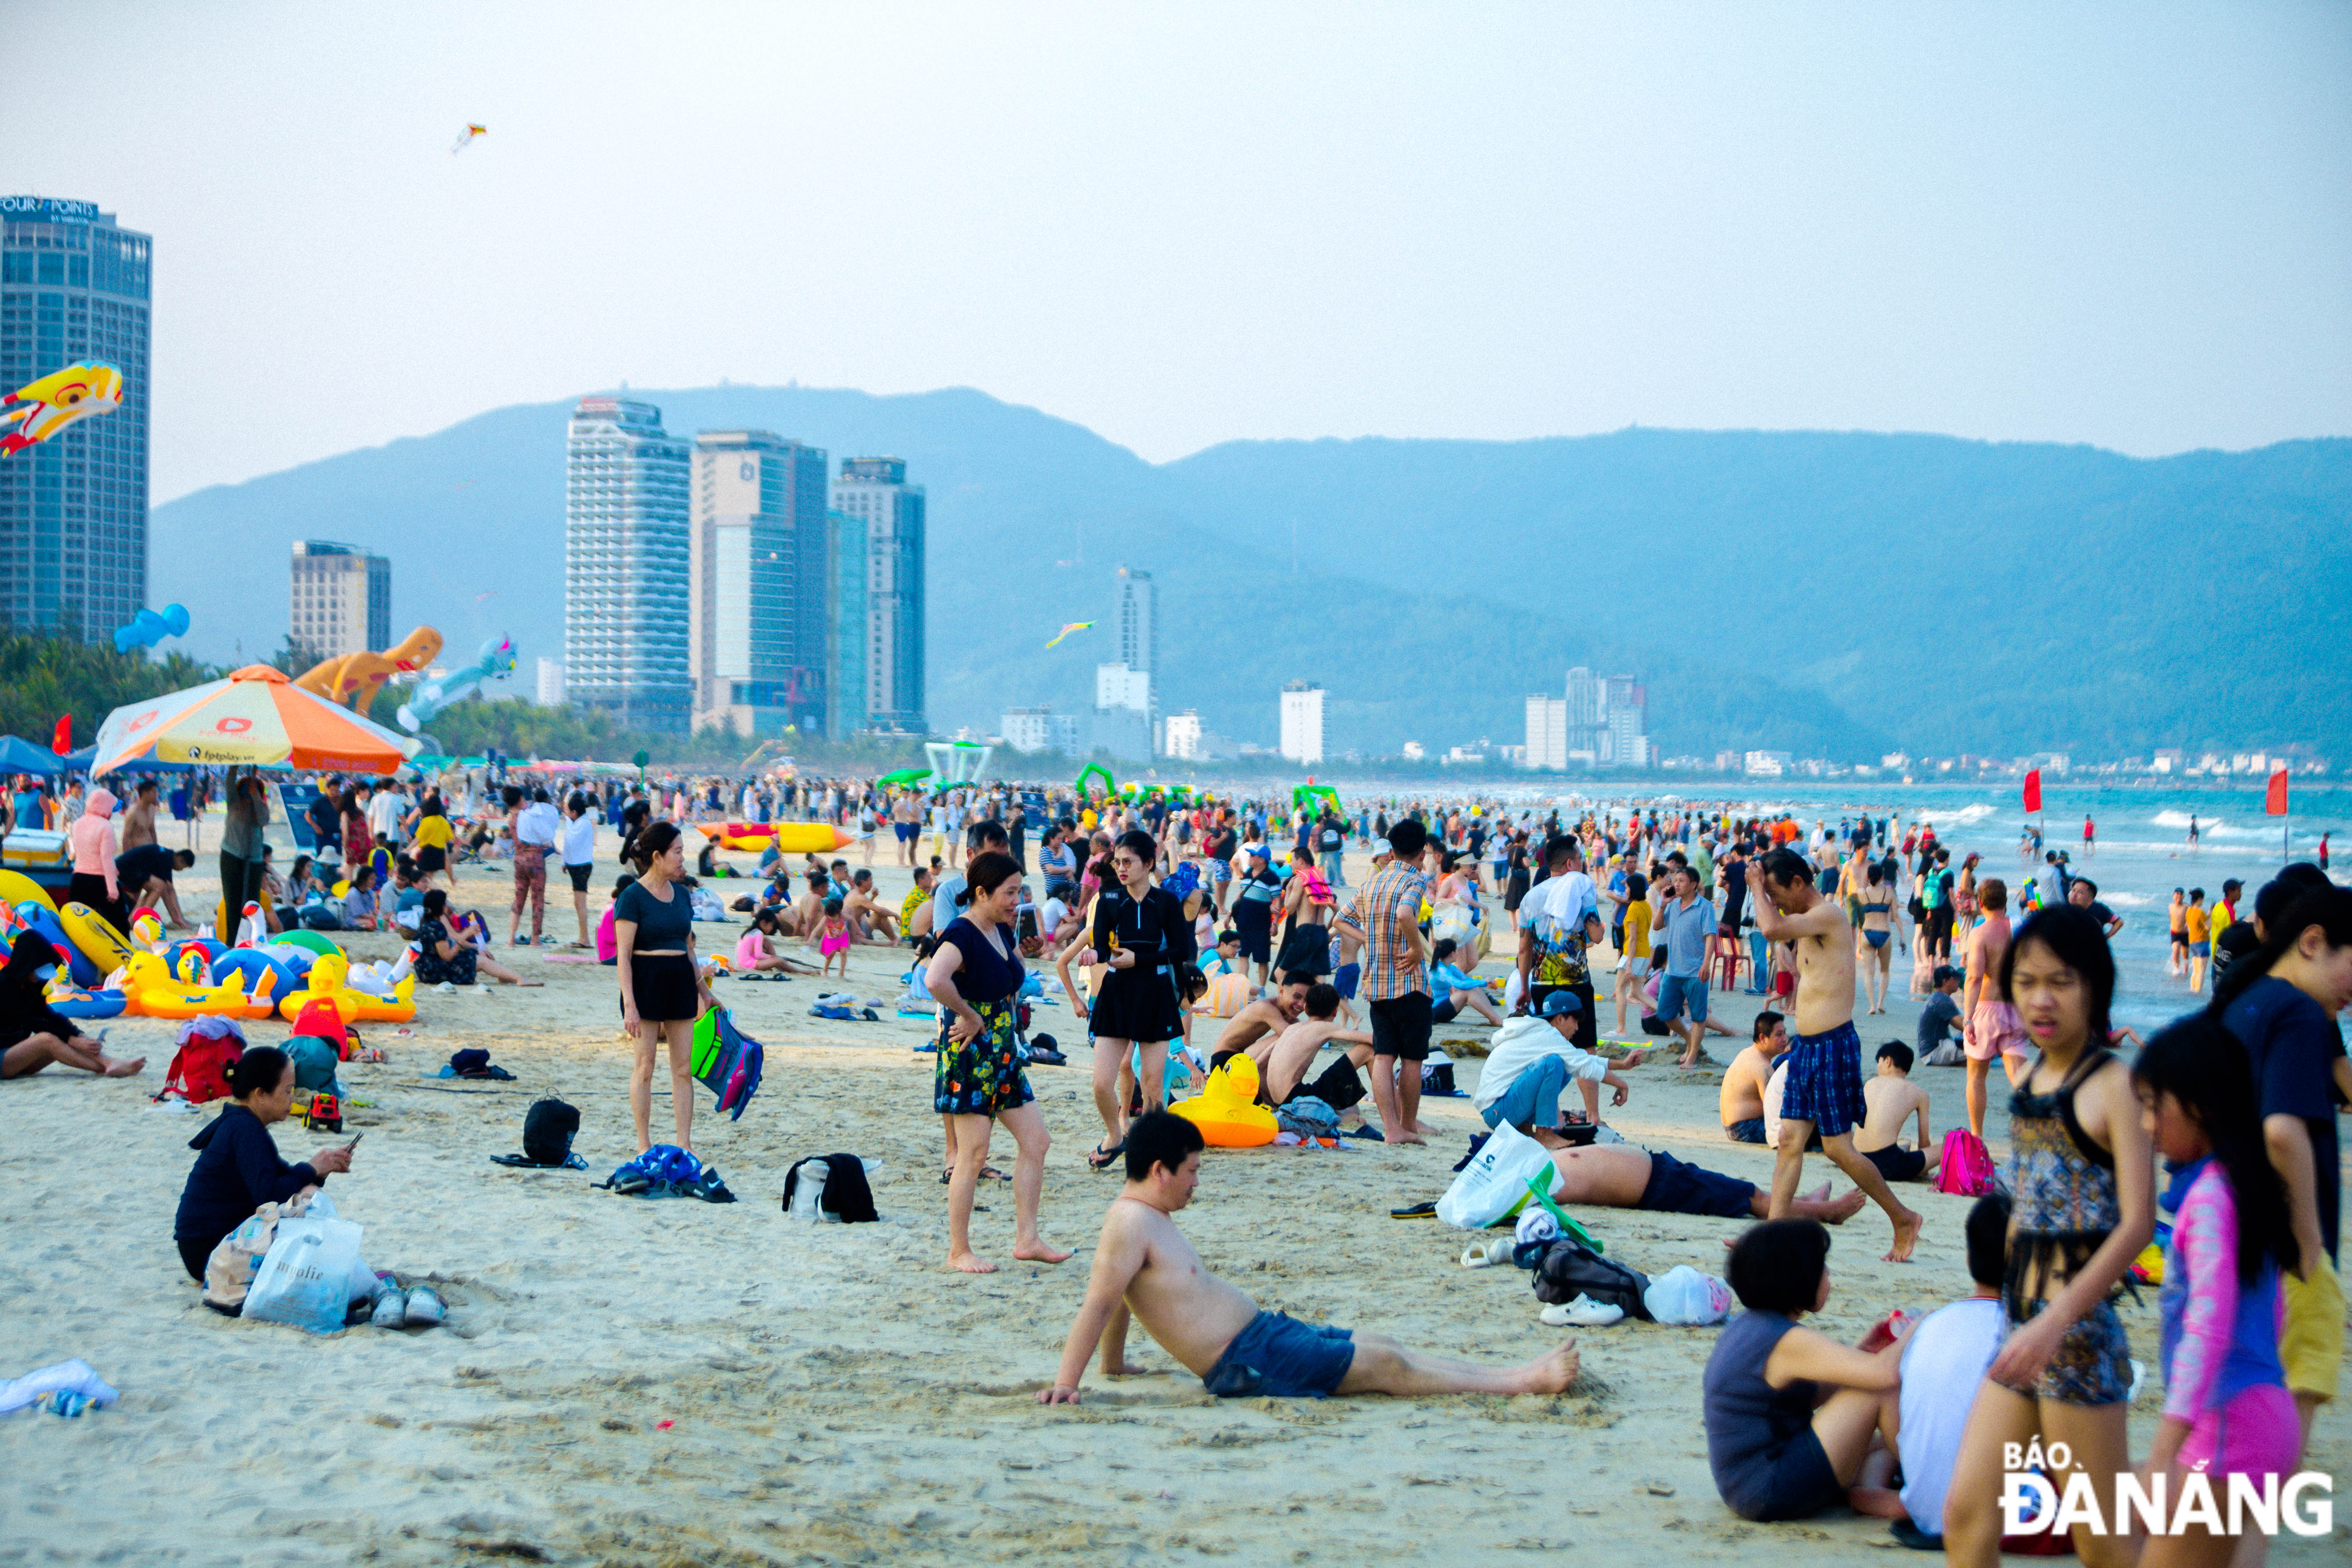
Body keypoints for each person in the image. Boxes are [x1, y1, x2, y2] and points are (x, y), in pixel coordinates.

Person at [1038, 1112, 1579, 1403]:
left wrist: (1114, 1365)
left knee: (1380, 1346)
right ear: (1160, 1170)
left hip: (1263, 1336)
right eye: (1192, 1172)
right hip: (1249, 1363)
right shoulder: (1130, 1221)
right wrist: (1069, 1382)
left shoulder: (1148, 1219)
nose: (1195, 1184)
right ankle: (1521, 1383)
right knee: (1386, 1367)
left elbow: (1124, 1299)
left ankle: (1512, 1372)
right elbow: (1100, 1303)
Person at [1942, 906, 2154, 1568]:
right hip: (2020, 1324)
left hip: (2077, 1334)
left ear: (2095, 986)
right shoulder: (2030, 1077)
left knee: (2102, 1542)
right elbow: (2028, 1207)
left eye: (2060, 982)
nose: (2040, 998)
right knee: (1967, 1513)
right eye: (2026, 981)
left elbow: (2139, 1222)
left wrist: (2056, 1321)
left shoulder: (2113, 1084)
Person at [2133, 1016, 2301, 1565]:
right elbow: (2271, 1310)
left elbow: (2208, 1329)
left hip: (2229, 1425)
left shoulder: (2208, 1200)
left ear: (2201, 1105)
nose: (2146, 1124)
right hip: (2266, 1413)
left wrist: (2163, 1452)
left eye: (2156, 1106)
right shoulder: (2244, 1184)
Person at [2212, 884, 2351, 1458]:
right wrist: (2310, 1234)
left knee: (2241, 1422)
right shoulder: (2300, 1015)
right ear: (2314, 943)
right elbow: (2282, 1129)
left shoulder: (2247, 999)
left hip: (2235, 1228)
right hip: (2288, 1241)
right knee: (2280, 1436)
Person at [1748, 849, 1921, 1262]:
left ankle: (1903, 1218)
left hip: (1833, 1045)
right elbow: (1790, 949)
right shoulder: (1805, 923)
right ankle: (1771, 1241)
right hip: (1805, 1047)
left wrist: (1755, 885)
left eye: (1778, 893)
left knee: (1838, 1148)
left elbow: (1770, 926)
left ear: (1796, 883)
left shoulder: (1829, 915)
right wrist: (1763, 895)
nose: (1776, 902)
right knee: (1790, 1141)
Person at [1703, 1220, 1906, 1522]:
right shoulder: (1787, 1340)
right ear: (1799, 1276)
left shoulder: (1753, 1327)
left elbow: (1807, 1398)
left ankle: (1871, 1490)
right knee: (1879, 1391)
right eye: (1822, 1267)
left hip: (1748, 1485)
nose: (1828, 1275)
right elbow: (1886, 1374)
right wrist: (1920, 1327)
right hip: (1768, 1488)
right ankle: (1932, 1495)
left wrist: (1862, 1352)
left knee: (1878, 1446)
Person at [925, 850, 1066, 1274]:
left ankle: (1027, 1240)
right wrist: (968, 1015)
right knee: (973, 1155)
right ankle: (958, 1252)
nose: (1016, 899)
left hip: (1003, 1051)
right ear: (981, 892)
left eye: (1019, 890)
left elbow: (1011, 975)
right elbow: (935, 979)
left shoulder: (999, 930)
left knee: (1037, 1141)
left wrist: (1030, 952)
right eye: (1009, 892)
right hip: (969, 1054)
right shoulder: (961, 933)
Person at [1886, 1195, 2012, 1547]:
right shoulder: (2030, 1335)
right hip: (2004, 1521)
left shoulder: (1932, 1324)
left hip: (1928, 1515)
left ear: (1969, 1258)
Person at [171, 1045, 358, 1278]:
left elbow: (284, 1181)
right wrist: (311, 1168)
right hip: (209, 1250)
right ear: (260, 1094)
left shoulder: (243, 1124)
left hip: (207, 1245)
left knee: (309, 1209)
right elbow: (270, 1195)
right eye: (288, 1091)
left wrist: (321, 1171)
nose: (293, 1098)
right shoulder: (244, 1129)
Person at [1070, 830, 1196, 1170]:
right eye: (1118, 862)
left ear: (1149, 864)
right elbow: (1099, 945)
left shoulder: (1166, 902)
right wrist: (1091, 956)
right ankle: (1116, 1135)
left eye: (1129, 862)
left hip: (1155, 994)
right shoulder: (1111, 898)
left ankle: (1155, 1148)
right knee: (1100, 1084)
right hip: (1116, 994)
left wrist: (1139, 961)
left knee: (1153, 1084)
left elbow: (1181, 951)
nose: (1121, 868)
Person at [614, 823, 717, 1158]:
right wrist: (630, 1004)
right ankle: (643, 1143)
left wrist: (704, 992)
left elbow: (688, 951)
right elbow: (624, 957)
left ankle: (684, 1143)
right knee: (645, 1067)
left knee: (683, 1069)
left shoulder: (683, 895)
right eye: (677, 852)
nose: (682, 858)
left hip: (679, 982)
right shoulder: (632, 897)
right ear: (656, 857)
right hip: (645, 982)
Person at [1336, 815, 1435, 1145]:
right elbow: (1407, 914)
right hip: (1409, 982)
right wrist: (1417, 949)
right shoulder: (1415, 880)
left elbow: (1339, 919)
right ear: (1423, 853)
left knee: (1383, 1056)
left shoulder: (1373, 882)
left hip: (1376, 983)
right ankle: (1406, 1126)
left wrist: (1368, 939)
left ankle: (1392, 1129)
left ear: (1390, 851)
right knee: (1412, 1059)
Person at [1474, 991, 1636, 1136]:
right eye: (1575, 1021)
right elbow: (1586, 1067)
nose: (1577, 1028)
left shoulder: (1541, 1031)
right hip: (1497, 1112)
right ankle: (1544, 1132)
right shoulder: (1549, 1036)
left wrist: (1623, 1065)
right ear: (1560, 1019)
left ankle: (1524, 1128)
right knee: (1554, 1064)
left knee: (1563, 1065)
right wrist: (1622, 1084)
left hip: (1495, 1110)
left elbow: (1584, 1059)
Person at [0, 932, 146, 1079]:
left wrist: (79, 1035)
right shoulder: (5, 985)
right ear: (28, 962)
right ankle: (106, 1067)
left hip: (18, 1059)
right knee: (47, 1039)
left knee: (66, 1037)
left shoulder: (29, 986)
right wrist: (72, 1040)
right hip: (4, 1062)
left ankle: (111, 1063)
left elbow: (49, 1016)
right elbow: (32, 1021)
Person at [1257, 981, 1375, 1108]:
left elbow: (1258, 1063)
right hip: (1297, 1099)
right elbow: (1371, 1039)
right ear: (1335, 1012)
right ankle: (1390, 1105)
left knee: (1352, 1109)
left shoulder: (1292, 1029)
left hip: (1278, 1101)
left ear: (1306, 1008)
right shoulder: (1326, 1027)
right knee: (1368, 1050)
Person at [1654, 863, 1715, 1069]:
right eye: (1675, 881)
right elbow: (1656, 926)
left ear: (1694, 884)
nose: (1676, 885)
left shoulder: (1705, 907)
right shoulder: (1672, 905)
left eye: (1681, 881)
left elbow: (1710, 937)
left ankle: (1693, 1056)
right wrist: (1663, 904)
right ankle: (1690, 1040)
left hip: (1695, 971)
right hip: (1673, 970)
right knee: (1665, 1013)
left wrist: (1706, 964)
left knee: (1699, 1016)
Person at [413, 888, 538, 988]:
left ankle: (508, 976)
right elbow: (447, 956)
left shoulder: (426, 922)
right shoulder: (436, 927)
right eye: (445, 903)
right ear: (440, 907)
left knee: (477, 956)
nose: (448, 906)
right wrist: (465, 936)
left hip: (426, 970)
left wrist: (471, 945)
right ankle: (519, 979)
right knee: (481, 961)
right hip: (434, 972)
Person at [1854, 1043, 1938, 1184]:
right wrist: (1923, 1169)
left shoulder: (1869, 1083)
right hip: (1888, 1167)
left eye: (1879, 1062)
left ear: (1888, 1061)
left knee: (1899, 1146)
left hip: (1856, 1161)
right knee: (1947, 1147)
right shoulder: (1920, 1094)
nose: (1878, 1067)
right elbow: (1924, 1142)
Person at [1721, 1011, 1787, 1143]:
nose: (1785, 1039)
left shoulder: (1747, 1053)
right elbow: (1775, 1110)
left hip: (1733, 1126)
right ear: (1763, 1038)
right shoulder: (1763, 1068)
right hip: (1745, 1128)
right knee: (1802, 1130)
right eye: (1779, 1035)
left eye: (1785, 1033)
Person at [508, 786, 560, 946]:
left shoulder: (512, 819)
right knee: (537, 900)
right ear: (520, 800)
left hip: (519, 860)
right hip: (535, 860)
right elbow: (542, 840)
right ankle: (535, 939)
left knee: (519, 898)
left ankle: (511, 938)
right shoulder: (528, 816)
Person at [116, 841, 197, 931]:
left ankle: (131, 922)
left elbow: (165, 892)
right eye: (183, 867)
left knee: (156, 888)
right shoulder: (167, 859)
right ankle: (141, 920)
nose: (181, 870)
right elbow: (170, 891)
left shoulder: (165, 855)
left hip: (126, 867)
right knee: (159, 886)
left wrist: (176, 917)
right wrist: (177, 917)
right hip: (126, 868)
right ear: (180, 859)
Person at [1427, 938, 1503, 1027]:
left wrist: (1486, 982)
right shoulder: (1440, 970)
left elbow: (1467, 980)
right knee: (1468, 991)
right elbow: (1459, 984)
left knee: (1474, 988)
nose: (1458, 953)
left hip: (1445, 1006)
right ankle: (1495, 1020)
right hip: (1434, 1012)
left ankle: (1496, 1018)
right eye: (1457, 951)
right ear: (1452, 954)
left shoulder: (1450, 968)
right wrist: (1484, 983)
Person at [554, 791, 596, 947]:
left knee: (580, 904)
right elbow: (569, 844)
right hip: (576, 865)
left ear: (575, 812)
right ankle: (583, 937)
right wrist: (565, 862)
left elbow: (572, 840)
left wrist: (567, 820)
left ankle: (585, 938)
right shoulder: (576, 822)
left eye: (568, 810)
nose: (565, 812)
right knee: (578, 903)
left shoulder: (583, 824)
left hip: (581, 866)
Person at [1855, 861, 1897, 1015]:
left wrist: (1866, 881)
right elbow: (1896, 917)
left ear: (1868, 877)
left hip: (1867, 932)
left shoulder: (1862, 892)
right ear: (1882, 876)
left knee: (1869, 972)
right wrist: (1903, 939)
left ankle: (1872, 1006)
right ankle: (1881, 1003)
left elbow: (1860, 887)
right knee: (1884, 971)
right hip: (1884, 933)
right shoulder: (1889, 892)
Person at [2184, 887, 2211, 993]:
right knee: (2202, 971)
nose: (2203, 901)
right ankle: (2199, 992)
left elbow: (2191, 926)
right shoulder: (2201, 912)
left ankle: (2192, 990)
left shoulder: (2189, 911)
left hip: (2193, 942)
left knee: (2195, 971)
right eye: (2203, 899)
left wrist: (2207, 917)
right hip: (2202, 943)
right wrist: (2211, 917)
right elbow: (2208, 928)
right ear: (2200, 899)